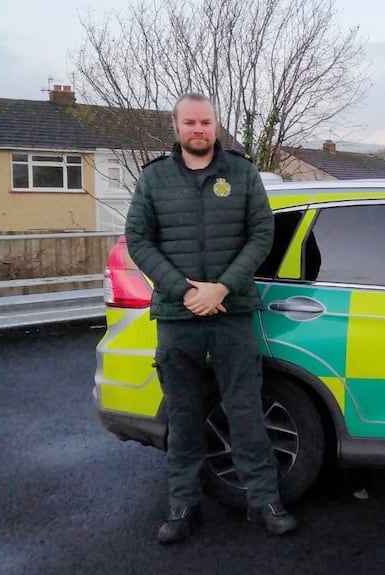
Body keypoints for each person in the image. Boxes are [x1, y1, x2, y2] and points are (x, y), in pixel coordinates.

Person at [125, 92, 297, 544]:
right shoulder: (155, 178)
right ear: (176, 127)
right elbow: (139, 240)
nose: (198, 130)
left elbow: (262, 234)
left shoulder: (241, 173)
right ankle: (182, 505)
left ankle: (264, 500)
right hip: (177, 315)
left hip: (231, 310)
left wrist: (220, 288)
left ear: (216, 125)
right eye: (190, 123)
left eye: (205, 122)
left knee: (245, 410)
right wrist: (186, 291)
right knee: (183, 414)